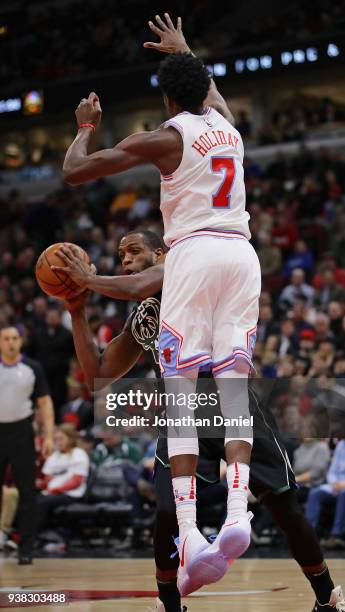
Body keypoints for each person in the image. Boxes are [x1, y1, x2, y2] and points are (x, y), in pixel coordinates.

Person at [61, 13, 260, 591]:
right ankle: (240, 512)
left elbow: (75, 172)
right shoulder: (229, 126)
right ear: (203, 89)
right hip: (242, 255)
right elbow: (210, 89)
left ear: (168, 95)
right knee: (233, 388)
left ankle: (193, 533)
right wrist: (188, 49)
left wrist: (84, 127)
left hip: (194, 255)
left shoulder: (165, 137)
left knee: (179, 390)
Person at [56, 232, 344, 612]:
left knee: (284, 506)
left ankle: (326, 595)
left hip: (230, 402)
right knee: (164, 513)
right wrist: (76, 310)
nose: (124, 259)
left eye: (134, 251)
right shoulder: (146, 313)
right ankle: (170, 604)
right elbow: (101, 371)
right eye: (120, 254)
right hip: (181, 411)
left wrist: (88, 280)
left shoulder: (181, 269)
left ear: (160, 253)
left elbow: (140, 283)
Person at [0, 325, 54, 564]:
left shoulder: (32, 369)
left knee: (27, 492)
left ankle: (26, 549)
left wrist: (49, 435)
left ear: (20, 342)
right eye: (6, 339)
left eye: (14, 338)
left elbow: (45, 403)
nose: (10, 342)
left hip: (22, 432)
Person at [36, 424, 89, 539]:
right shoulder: (54, 456)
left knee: (43, 502)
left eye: (61, 439)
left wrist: (58, 489)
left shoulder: (78, 453)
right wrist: (41, 483)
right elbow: (48, 478)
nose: (58, 442)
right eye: (56, 440)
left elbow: (77, 481)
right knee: (30, 500)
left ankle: (35, 535)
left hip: (72, 493)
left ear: (70, 439)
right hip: (51, 492)